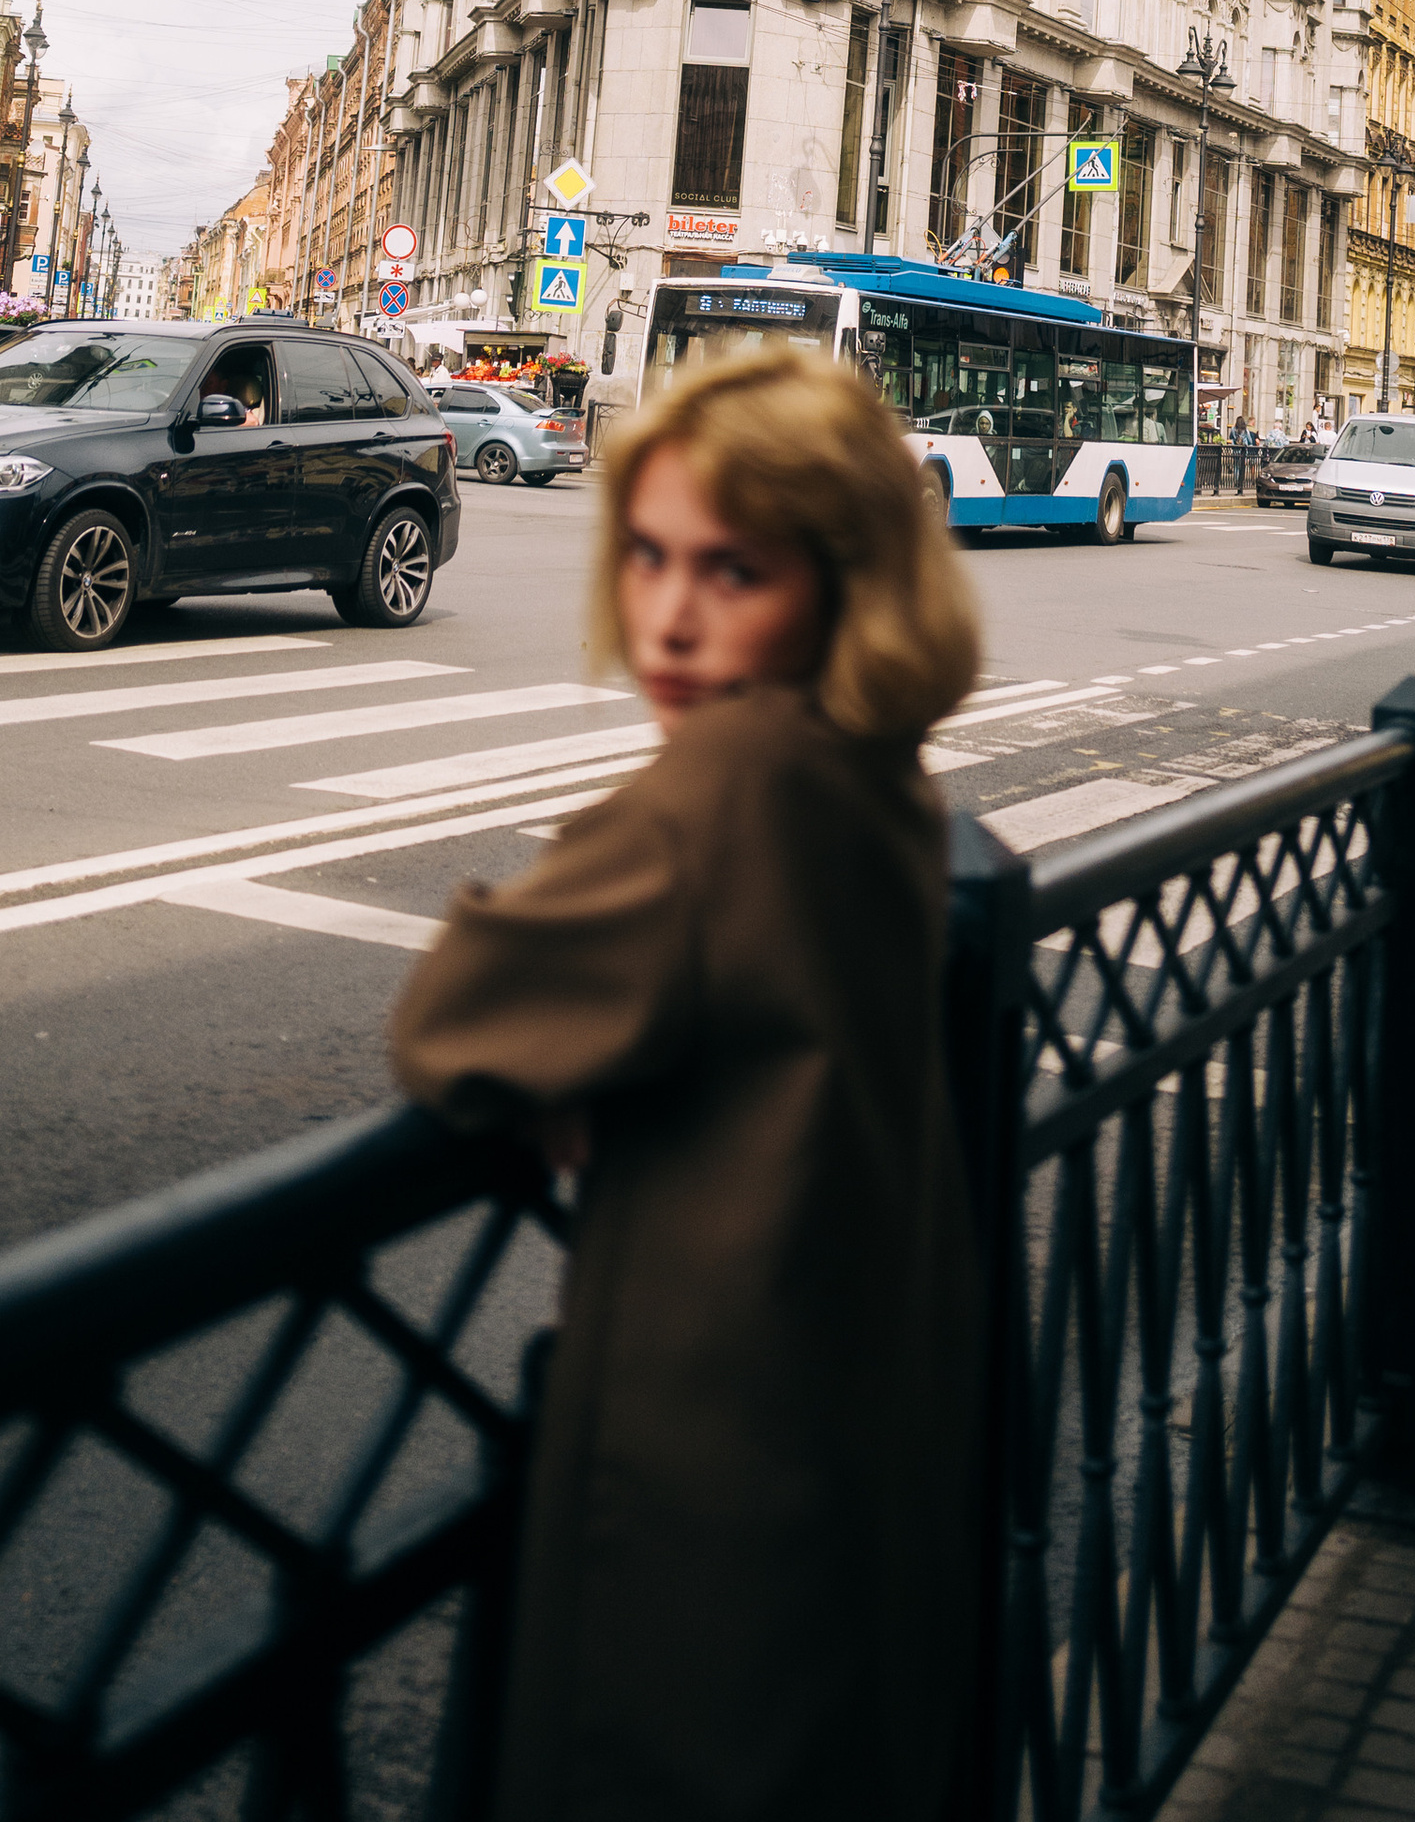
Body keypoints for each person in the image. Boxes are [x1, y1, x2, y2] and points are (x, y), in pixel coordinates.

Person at [390, 349, 984, 1822]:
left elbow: (460, 1016)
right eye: (647, 555)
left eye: (734, 571)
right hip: (865, 1439)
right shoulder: (879, 776)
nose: (668, 615)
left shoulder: (732, 782)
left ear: (843, 584)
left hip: (711, 1467)